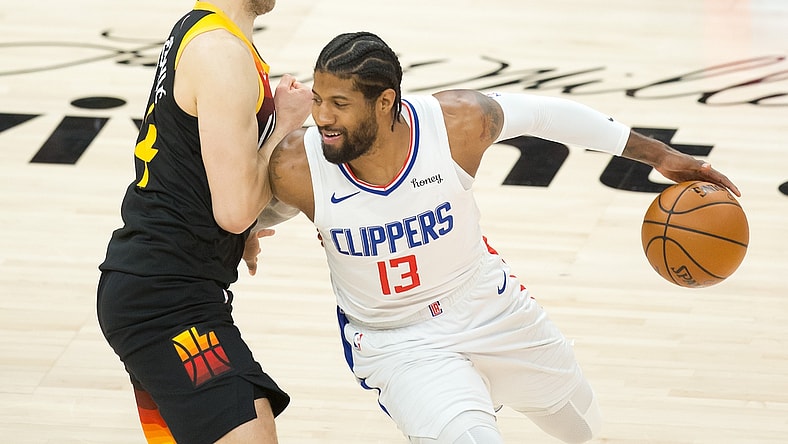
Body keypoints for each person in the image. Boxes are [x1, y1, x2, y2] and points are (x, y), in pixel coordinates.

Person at [264, 32, 740, 444]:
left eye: (339, 104)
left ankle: (475, 389)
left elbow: (547, 115)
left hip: (486, 304)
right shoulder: (296, 165)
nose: (322, 116)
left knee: (579, 423)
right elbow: (237, 209)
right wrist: (244, 233)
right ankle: (456, 400)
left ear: (385, 102)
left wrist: (658, 155)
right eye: (318, 99)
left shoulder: (455, 124)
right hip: (398, 342)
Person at [96, 0, 312, 442]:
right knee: (250, 429)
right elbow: (233, 211)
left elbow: (188, 161)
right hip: (166, 302)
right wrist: (286, 123)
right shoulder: (220, 52)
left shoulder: (201, 31)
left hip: (165, 287)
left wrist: (241, 233)